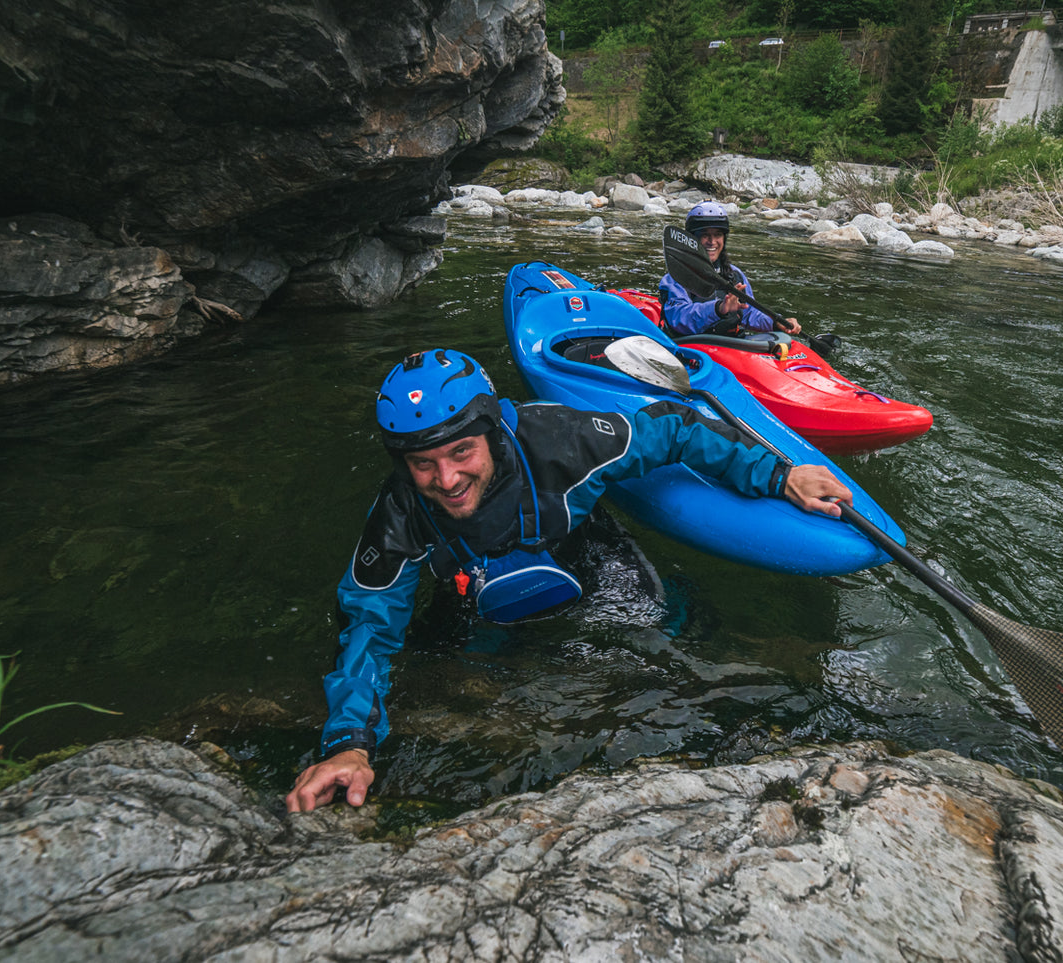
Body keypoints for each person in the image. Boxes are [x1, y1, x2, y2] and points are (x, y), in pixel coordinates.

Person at [285, 347, 851, 812]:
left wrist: (779, 474)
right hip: (477, 593)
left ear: (491, 432)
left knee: (663, 637)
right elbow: (368, 627)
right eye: (424, 464)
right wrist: (349, 745)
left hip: (587, 558)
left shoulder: (561, 441)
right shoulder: (399, 516)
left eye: (461, 452)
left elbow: (673, 430)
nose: (448, 479)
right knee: (434, 675)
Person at [659, 201, 803, 338]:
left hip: (729, 346)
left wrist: (775, 322)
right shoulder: (676, 276)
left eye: (717, 235)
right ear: (692, 239)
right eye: (705, 235)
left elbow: (750, 313)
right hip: (693, 348)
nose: (712, 241)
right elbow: (678, 319)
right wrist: (718, 309)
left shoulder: (735, 275)